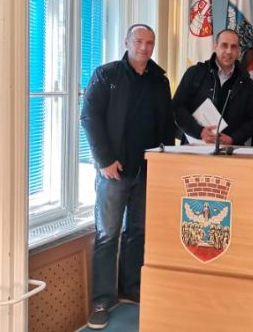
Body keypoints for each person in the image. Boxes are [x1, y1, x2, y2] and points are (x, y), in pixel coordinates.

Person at [80, 24, 175, 330]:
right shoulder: (106, 75)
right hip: (114, 171)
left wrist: (165, 163)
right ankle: (102, 301)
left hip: (147, 170)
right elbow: (89, 117)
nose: (144, 47)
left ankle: (131, 289)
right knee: (108, 235)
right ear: (126, 42)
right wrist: (104, 160)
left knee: (137, 231)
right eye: (139, 41)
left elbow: (167, 124)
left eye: (150, 43)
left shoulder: (160, 80)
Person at [173, 29, 253, 146]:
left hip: (229, 150)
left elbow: (252, 120)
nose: (229, 51)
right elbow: (177, 107)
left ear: (238, 51)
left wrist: (233, 139)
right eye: (224, 45)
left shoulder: (247, 83)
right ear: (215, 47)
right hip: (194, 147)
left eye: (233, 47)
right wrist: (199, 132)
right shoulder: (195, 73)